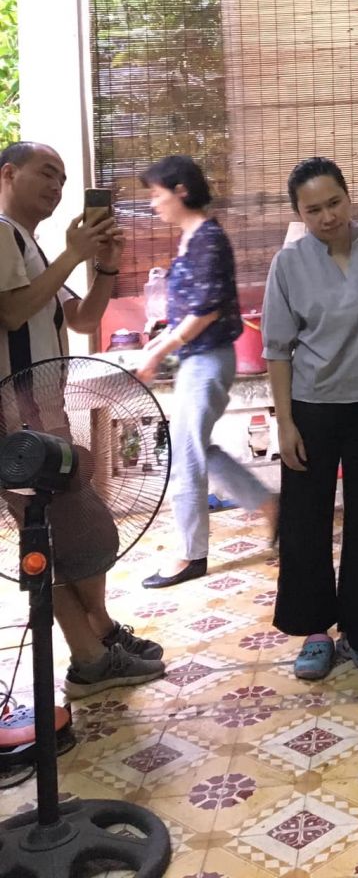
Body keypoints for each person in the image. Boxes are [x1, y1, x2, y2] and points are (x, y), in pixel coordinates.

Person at [0, 142, 165, 698]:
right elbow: (12, 311)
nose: (58, 187)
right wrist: (73, 254)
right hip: (17, 425)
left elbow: (84, 317)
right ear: (8, 174)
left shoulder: (31, 246)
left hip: (42, 418)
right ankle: (91, 656)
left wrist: (106, 265)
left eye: (64, 180)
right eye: (47, 174)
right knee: (74, 534)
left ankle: (97, 639)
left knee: (64, 537)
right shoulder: (1, 233)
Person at [262, 157, 358, 679]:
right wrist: (285, 424)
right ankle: (315, 632)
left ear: (349, 197)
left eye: (334, 203)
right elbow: (277, 350)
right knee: (304, 521)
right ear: (299, 213)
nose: (327, 217)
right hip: (312, 407)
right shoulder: (289, 264)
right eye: (313, 210)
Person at [136, 155, 275, 588]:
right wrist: (156, 346)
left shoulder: (208, 240)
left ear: (181, 191)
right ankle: (269, 503)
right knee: (194, 447)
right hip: (197, 359)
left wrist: (158, 354)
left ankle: (189, 554)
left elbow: (205, 312)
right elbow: (185, 315)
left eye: (156, 194)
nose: (153, 204)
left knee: (186, 455)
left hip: (208, 359)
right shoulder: (192, 239)